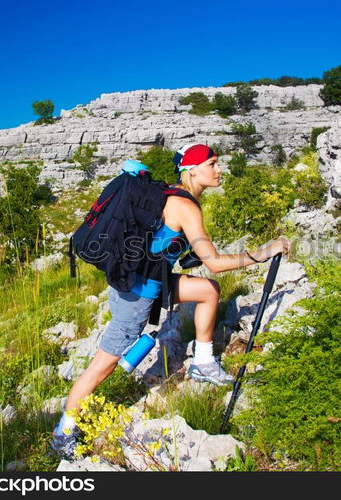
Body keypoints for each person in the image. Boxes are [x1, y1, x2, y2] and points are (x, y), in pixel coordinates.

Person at [51, 143, 291, 457]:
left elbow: (167, 246)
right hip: (137, 296)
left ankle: (203, 362)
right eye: (213, 164)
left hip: (142, 281)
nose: (218, 170)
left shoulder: (171, 195)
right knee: (101, 367)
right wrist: (262, 252)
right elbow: (214, 262)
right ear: (192, 170)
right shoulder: (187, 206)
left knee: (208, 291)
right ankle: (64, 431)